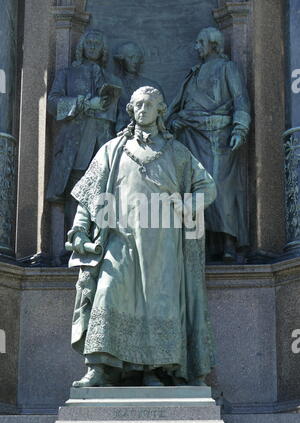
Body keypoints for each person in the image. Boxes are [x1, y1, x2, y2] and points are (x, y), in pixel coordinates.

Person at [67, 86, 216, 387]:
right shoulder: (112, 150)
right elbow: (89, 196)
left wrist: (187, 204)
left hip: (163, 241)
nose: (142, 110)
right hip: (120, 238)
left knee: (158, 304)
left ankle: (153, 370)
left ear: (161, 110)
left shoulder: (177, 153)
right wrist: (80, 229)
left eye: (149, 105)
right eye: (137, 105)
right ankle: (99, 368)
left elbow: (207, 188)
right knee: (107, 293)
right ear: (130, 110)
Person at [167, 27, 251, 262]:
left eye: (200, 42)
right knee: (193, 189)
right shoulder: (193, 73)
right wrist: (173, 122)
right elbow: (179, 105)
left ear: (213, 44)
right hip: (190, 135)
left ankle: (228, 243)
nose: (196, 47)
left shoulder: (227, 68)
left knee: (220, 189)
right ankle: (201, 243)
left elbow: (240, 100)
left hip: (218, 137)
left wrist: (240, 128)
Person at [46, 29, 123, 232]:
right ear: (81, 46)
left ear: (103, 49)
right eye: (88, 43)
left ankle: (102, 240)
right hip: (76, 142)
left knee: (105, 188)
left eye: (97, 44)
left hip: (105, 142)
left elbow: (123, 113)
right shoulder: (67, 74)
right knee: (77, 187)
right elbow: (52, 104)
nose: (92, 47)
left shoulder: (113, 79)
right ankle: (74, 239)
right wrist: (84, 104)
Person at [114, 41, 164, 132]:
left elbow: (162, 115)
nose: (135, 61)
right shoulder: (113, 83)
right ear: (121, 59)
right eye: (131, 57)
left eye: (137, 58)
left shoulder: (152, 86)